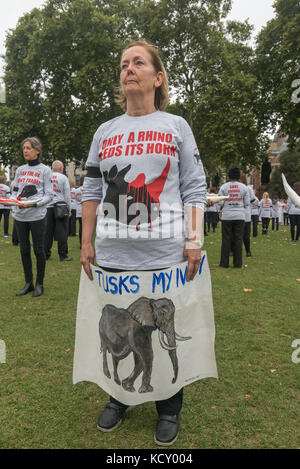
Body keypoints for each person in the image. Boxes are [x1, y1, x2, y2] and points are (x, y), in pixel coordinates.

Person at [80, 40, 207, 446]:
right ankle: (119, 397)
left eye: (138, 62)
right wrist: (87, 242)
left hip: (165, 253)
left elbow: (194, 187)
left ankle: (169, 407)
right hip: (114, 255)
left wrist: (193, 240)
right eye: (123, 64)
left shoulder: (176, 126)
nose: (128, 69)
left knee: (163, 328)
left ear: (158, 76)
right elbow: (90, 191)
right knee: (117, 328)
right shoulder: (105, 131)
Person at [11, 137, 53, 297]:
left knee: (38, 249)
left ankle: (39, 284)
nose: (25, 151)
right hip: (20, 217)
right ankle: (28, 283)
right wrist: (14, 201)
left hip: (37, 216)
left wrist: (34, 204)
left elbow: (49, 195)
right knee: (23, 250)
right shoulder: (20, 170)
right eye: (24, 148)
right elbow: (15, 190)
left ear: (37, 150)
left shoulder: (45, 170)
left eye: (28, 148)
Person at [217, 166, 250, 268]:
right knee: (238, 239)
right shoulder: (244, 187)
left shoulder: (224, 187)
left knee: (226, 239)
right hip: (240, 215)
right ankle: (238, 263)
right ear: (239, 175)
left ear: (229, 175)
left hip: (227, 216)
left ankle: (224, 263)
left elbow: (220, 202)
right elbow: (247, 203)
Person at [44, 160, 72, 261]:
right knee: (62, 231)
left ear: (52, 168)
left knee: (48, 231)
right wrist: (69, 208)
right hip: (61, 205)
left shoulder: (47, 177)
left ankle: (46, 253)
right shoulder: (63, 177)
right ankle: (63, 254)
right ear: (61, 169)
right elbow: (67, 195)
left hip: (48, 206)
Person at [75, 175, 84, 249]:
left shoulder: (76, 190)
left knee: (81, 227)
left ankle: (81, 243)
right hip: (87, 210)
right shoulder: (89, 189)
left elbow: (75, 199)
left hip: (79, 211)